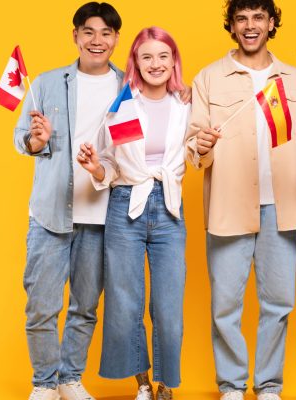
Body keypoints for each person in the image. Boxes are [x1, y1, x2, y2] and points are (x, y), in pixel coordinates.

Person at [184, 0, 296, 399]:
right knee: (225, 304)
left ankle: (269, 385)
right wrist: (200, 145)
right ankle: (232, 386)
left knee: (279, 302)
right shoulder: (208, 78)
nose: (250, 26)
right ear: (232, 26)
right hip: (229, 204)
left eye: (259, 18)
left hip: (282, 205)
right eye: (242, 19)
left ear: (272, 23)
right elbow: (192, 148)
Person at [12, 2, 123, 400]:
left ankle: (69, 379)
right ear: (75, 35)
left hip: (103, 217)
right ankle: (43, 382)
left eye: (106, 33)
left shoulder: (129, 86)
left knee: (85, 306)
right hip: (49, 214)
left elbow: (132, 149)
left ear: (115, 39)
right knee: (41, 306)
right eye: (89, 32)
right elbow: (21, 137)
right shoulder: (45, 82)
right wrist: (36, 141)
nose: (97, 40)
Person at [76, 26, 190, 400]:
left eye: (163, 56)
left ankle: (165, 384)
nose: (155, 64)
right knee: (126, 300)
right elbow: (110, 164)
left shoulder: (186, 105)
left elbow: (196, 154)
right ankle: (141, 383)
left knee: (168, 303)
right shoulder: (123, 105)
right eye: (146, 57)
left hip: (170, 206)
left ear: (173, 60)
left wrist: (204, 146)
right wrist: (96, 168)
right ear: (135, 62)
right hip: (126, 202)